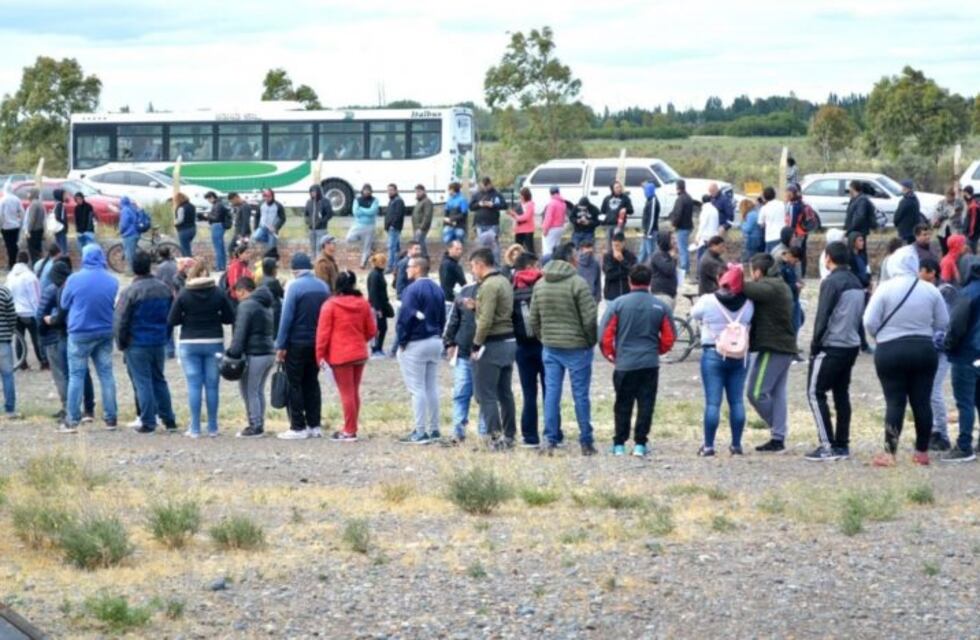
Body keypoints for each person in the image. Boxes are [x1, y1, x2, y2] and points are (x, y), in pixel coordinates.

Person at [864, 247, 948, 467]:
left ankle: (890, 453)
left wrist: (879, 335)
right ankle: (922, 452)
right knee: (922, 401)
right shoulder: (930, 290)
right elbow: (943, 323)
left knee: (895, 402)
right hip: (923, 348)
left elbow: (869, 321)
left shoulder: (885, 289)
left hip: (890, 349)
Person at [530, 242, 599, 456]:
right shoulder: (578, 283)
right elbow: (589, 318)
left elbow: (534, 318)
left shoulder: (540, 284)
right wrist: (589, 341)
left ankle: (549, 439)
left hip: (550, 347)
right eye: (576, 255)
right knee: (580, 395)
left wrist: (545, 338)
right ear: (570, 259)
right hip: (577, 347)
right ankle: (586, 441)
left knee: (551, 393)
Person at [599, 264, 675, 457]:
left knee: (622, 403)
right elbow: (669, 337)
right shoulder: (661, 306)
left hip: (624, 363)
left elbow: (605, 335)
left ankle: (619, 444)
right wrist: (656, 351)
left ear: (629, 281)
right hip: (649, 363)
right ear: (650, 282)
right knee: (646, 404)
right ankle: (640, 443)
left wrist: (611, 355)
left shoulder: (618, 304)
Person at [803, 242, 865, 461]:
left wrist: (814, 345)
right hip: (851, 344)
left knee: (814, 392)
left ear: (828, 257)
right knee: (841, 393)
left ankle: (827, 444)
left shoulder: (831, 282)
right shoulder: (856, 281)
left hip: (832, 345)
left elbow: (823, 316)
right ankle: (841, 443)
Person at [691, 265, 754, 456]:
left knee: (713, 403)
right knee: (736, 401)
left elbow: (694, 314)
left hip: (713, 352)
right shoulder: (749, 303)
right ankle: (736, 444)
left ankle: (709, 445)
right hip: (740, 355)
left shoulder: (708, 300)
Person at [168, 260, 234, 437]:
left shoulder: (184, 294)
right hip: (214, 341)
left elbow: (172, 320)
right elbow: (229, 318)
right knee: (212, 386)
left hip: (189, 342)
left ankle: (195, 428)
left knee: (194, 385)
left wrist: (187, 318)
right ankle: (213, 427)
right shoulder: (218, 293)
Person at [114, 250, 177, 434]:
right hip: (158, 341)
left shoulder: (130, 292)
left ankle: (148, 421)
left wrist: (121, 343)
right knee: (159, 380)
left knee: (143, 382)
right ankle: (169, 419)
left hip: (137, 342)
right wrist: (165, 336)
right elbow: (171, 317)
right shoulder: (164, 289)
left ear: (134, 269)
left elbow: (121, 321)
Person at [59, 245, 119, 433]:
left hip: (80, 332)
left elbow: (64, 303)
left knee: (76, 375)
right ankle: (111, 418)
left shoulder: (74, 279)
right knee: (106, 374)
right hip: (105, 330)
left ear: (85, 258)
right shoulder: (112, 281)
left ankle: (72, 419)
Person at [743, 253, 797, 452]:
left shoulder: (769, 287)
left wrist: (731, 277)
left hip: (773, 347)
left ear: (757, 271)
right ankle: (778, 439)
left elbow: (744, 288)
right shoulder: (780, 285)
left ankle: (778, 429)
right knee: (777, 393)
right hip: (785, 346)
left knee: (756, 392)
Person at [316, 270, 377, 442]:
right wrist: (359, 340)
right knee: (353, 392)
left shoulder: (330, 305)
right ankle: (352, 427)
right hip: (359, 352)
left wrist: (319, 356)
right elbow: (372, 330)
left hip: (340, 355)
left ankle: (349, 430)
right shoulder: (362, 303)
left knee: (346, 393)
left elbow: (323, 334)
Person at [274, 253, 330, 440]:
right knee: (312, 383)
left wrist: (281, 344)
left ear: (295, 270)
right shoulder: (323, 286)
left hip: (297, 342)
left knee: (294, 383)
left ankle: (298, 426)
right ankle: (315, 425)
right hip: (317, 343)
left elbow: (286, 317)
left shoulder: (294, 287)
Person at [469, 248, 517, 449]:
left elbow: (486, 320)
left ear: (480, 265)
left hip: (492, 343)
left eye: (472, 266)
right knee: (505, 392)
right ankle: (509, 435)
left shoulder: (488, 286)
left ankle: (493, 438)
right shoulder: (504, 281)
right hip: (509, 342)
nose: (472, 271)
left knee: (485, 394)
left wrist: (476, 344)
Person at [396, 256, 446, 444]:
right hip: (435, 339)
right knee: (431, 386)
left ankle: (420, 430)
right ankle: (434, 429)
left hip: (416, 341)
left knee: (417, 388)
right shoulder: (438, 289)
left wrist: (401, 341)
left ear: (417, 268)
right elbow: (443, 317)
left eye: (409, 267)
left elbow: (406, 317)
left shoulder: (412, 290)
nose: (406, 270)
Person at [225, 277, 276, 438]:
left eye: (237, 293)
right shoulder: (266, 304)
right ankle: (259, 422)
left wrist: (232, 353)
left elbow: (240, 332)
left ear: (242, 290)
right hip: (268, 352)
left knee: (249, 389)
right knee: (258, 390)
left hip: (255, 353)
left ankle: (255, 426)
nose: (237, 297)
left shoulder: (246, 305)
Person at [511, 252, 553, 448]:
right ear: (532, 265)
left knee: (529, 393)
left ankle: (529, 436)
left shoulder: (512, 286)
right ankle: (553, 433)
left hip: (522, 346)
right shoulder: (544, 285)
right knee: (549, 390)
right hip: (545, 344)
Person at [941, 257, 980, 462]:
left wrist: (948, 345)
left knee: (965, 401)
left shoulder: (966, 294)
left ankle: (964, 445)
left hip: (966, 354)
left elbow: (956, 326)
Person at [918, 257, 955, 452]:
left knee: (933, 390)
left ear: (931, 272)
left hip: (939, 349)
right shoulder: (937, 291)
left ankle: (941, 434)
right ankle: (935, 430)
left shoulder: (943, 293)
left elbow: (943, 325)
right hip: (933, 348)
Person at [444, 280, 482, 443]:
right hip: (463, 351)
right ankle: (458, 431)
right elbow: (454, 318)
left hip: (484, 352)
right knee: (460, 393)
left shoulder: (496, 288)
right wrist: (449, 341)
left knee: (484, 396)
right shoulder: (465, 291)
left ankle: (484, 433)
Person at [7, 251, 46, 370]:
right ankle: (43, 361)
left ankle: (21, 362)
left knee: (19, 338)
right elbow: (35, 296)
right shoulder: (30, 276)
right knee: (36, 337)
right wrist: (39, 312)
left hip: (15, 311)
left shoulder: (10, 276)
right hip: (29, 312)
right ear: (27, 261)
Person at [469, 177, 506, 260]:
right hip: (480, 223)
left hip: (493, 223)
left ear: (490, 184)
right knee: (481, 245)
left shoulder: (496, 194)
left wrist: (493, 205)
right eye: (483, 186)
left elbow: (504, 205)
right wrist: (479, 204)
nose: (485, 188)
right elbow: (471, 207)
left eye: (487, 186)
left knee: (494, 245)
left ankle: (496, 265)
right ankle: (483, 263)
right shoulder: (477, 194)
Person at [367, 252, 393, 358]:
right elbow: (373, 293)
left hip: (380, 305)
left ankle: (379, 348)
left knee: (382, 327)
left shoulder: (378, 273)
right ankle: (375, 349)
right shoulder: (375, 275)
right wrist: (377, 309)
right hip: (377, 307)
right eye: (383, 262)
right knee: (378, 328)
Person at [347, 184, 379, 268]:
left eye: (368, 190)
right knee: (349, 238)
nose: (367, 192)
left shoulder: (374, 200)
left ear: (371, 191)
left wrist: (361, 209)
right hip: (358, 225)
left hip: (369, 226)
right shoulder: (357, 200)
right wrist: (366, 211)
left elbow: (372, 212)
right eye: (365, 190)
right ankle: (361, 240)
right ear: (362, 191)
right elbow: (355, 212)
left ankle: (363, 263)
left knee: (367, 247)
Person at [668, 179, 695, 277]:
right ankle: (685, 268)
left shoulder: (680, 199)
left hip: (682, 227)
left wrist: (674, 224)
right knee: (684, 248)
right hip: (688, 226)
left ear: (677, 188)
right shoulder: (688, 197)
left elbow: (678, 214)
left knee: (682, 249)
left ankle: (684, 269)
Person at [783, 185, 810, 277]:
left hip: (796, 234)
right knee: (801, 252)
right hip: (803, 232)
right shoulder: (801, 202)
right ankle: (802, 273)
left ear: (790, 194)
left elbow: (791, 223)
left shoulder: (793, 206)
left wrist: (789, 234)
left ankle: (797, 275)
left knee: (795, 254)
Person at [602, 232, 637, 301]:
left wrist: (622, 261)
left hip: (627, 294)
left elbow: (634, 272)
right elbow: (609, 274)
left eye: (617, 245)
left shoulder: (630, 255)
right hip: (611, 295)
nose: (615, 248)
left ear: (623, 243)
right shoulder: (608, 256)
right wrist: (624, 272)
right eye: (613, 245)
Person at [598, 181, 633, 251]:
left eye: (620, 187)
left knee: (618, 244)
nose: (619, 189)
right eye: (617, 187)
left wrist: (625, 209)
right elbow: (602, 212)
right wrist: (602, 223)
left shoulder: (625, 198)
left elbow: (631, 210)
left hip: (619, 225)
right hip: (608, 225)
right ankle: (610, 259)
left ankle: (619, 259)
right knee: (609, 245)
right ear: (612, 189)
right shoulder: (607, 198)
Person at [0, 280, 17, 417]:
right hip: (3, 341)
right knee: (7, 375)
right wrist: (9, 331)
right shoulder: (4, 292)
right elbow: (12, 316)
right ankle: (10, 409)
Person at [932, 187, 966, 256]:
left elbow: (952, 213)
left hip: (954, 231)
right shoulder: (941, 203)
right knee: (944, 250)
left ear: (953, 196)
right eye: (946, 196)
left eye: (949, 196)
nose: (947, 198)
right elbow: (936, 213)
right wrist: (936, 221)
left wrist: (942, 217)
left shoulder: (958, 203)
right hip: (942, 231)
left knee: (954, 250)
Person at [649, 231, 678, 310]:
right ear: (666, 240)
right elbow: (668, 270)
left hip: (671, 293)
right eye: (672, 238)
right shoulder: (658, 255)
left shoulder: (668, 254)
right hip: (661, 294)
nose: (675, 241)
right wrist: (673, 258)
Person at [204, 192, 230, 271]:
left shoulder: (217, 205)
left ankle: (220, 267)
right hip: (220, 226)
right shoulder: (220, 204)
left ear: (212, 197)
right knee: (221, 247)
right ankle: (222, 266)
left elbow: (216, 218)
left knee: (218, 248)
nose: (208, 201)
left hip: (217, 226)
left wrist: (207, 216)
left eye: (208, 199)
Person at [384, 183, 406, 273]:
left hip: (394, 228)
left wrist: (392, 225)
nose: (389, 192)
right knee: (396, 248)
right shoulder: (392, 201)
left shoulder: (398, 201)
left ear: (396, 191)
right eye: (388, 190)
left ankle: (390, 266)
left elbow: (398, 215)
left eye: (391, 190)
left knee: (391, 247)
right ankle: (396, 266)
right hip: (391, 228)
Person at [304, 184, 332, 254]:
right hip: (311, 229)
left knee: (319, 248)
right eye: (311, 192)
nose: (313, 194)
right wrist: (308, 222)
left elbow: (329, 214)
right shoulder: (309, 202)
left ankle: (319, 262)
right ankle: (314, 262)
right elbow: (306, 214)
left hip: (321, 229)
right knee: (312, 248)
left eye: (314, 192)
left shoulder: (325, 201)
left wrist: (321, 221)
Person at [541, 186, 568, 259]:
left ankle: (547, 265)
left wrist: (545, 230)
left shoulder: (552, 203)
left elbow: (548, 218)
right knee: (556, 248)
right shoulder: (563, 203)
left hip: (551, 228)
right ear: (558, 192)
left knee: (548, 248)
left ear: (550, 193)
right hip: (560, 228)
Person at [0, 190, 24, 269]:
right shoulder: (17, 199)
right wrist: (21, 222)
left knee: (9, 245)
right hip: (15, 226)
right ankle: (14, 262)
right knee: (14, 245)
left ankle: (11, 263)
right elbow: (22, 212)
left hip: (6, 226)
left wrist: (1, 225)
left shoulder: (3, 200)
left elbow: (0, 215)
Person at [638, 182, 661, 263]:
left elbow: (651, 219)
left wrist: (648, 232)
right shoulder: (649, 199)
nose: (644, 191)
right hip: (646, 231)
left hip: (650, 232)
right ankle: (636, 269)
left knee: (651, 253)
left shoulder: (653, 201)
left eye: (645, 189)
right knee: (642, 253)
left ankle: (653, 271)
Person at [508, 187, 536, 254]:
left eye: (521, 195)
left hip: (527, 230)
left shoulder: (530, 205)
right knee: (517, 248)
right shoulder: (519, 204)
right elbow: (516, 215)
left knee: (529, 248)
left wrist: (515, 216)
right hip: (519, 229)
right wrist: (512, 214)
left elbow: (526, 217)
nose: (520, 197)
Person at [439, 239, 467, 305]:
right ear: (450, 249)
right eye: (457, 249)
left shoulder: (452, 263)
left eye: (461, 249)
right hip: (448, 300)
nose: (460, 251)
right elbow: (446, 285)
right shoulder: (448, 264)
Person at [894, 180, 922, 245]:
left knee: (905, 248)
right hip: (913, 229)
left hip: (905, 230)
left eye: (903, 187)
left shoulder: (906, 201)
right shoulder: (915, 199)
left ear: (906, 188)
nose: (901, 189)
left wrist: (895, 222)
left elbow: (898, 214)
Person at [695, 194, 719, 267]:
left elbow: (703, 224)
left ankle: (700, 274)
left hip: (705, 238)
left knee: (701, 257)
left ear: (702, 202)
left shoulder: (705, 211)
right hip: (714, 236)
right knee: (711, 257)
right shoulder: (715, 209)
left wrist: (697, 237)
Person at [759, 187, 785, 253]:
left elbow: (761, 224)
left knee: (770, 258)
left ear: (764, 197)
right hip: (783, 235)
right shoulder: (782, 204)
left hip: (771, 236)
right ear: (774, 194)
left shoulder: (764, 208)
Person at [411, 184, 434, 257]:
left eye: (419, 191)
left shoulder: (427, 201)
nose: (417, 193)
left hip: (421, 228)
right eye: (416, 192)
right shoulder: (419, 202)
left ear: (424, 191)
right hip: (416, 227)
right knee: (418, 244)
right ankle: (421, 259)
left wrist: (421, 228)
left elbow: (427, 216)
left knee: (420, 244)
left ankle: (425, 259)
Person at [739, 198, 764, 262]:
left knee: (749, 258)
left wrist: (741, 225)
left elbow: (748, 229)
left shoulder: (751, 215)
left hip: (752, 240)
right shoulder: (755, 213)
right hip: (756, 238)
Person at [25, 189, 45, 263]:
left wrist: (28, 230)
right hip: (40, 229)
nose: (28, 195)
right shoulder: (40, 204)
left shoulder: (33, 204)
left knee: (33, 251)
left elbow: (32, 219)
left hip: (33, 231)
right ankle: (39, 264)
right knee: (38, 249)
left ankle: (35, 265)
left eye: (29, 193)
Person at [51, 188, 68, 253]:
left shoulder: (56, 204)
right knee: (62, 246)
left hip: (57, 228)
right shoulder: (60, 205)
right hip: (61, 228)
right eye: (64, 195)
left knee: (58, 244)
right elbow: (59, 217)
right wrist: (64, 225)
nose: (65, 197)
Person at [964, 185, 980, 253]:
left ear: (967, 193)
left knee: (971, 250)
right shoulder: (973, 201)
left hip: (973, 233)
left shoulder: (973, 205)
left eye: (964, 193)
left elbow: (973, 221)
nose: (963, 195)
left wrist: (970, 234)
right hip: (975, 232)